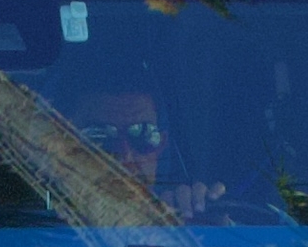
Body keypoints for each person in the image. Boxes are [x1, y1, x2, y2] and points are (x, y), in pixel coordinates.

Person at [69, 88, 222, 221]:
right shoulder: (46, 224)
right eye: (100, 138)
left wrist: (207, 225)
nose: (125, 156)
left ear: (161, 144)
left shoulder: (178, 221)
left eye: (143, 136)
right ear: (66, 145)